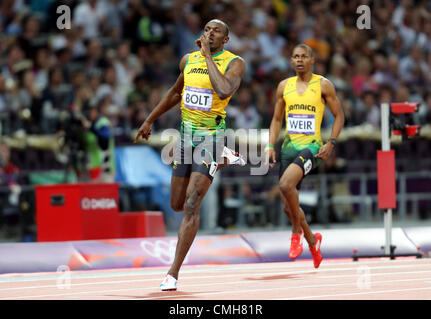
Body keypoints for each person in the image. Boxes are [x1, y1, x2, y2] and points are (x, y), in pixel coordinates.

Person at [134, 19, 246, 291]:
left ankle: (172, 272)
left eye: (216, 31)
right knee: (177, 204)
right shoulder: (188, 60)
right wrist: (150, 119)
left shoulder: (234, 62)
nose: (209, 33)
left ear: (226, 39)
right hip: (186, 136)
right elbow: (175, 92)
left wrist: (208, 56)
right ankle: (225, 157)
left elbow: (223, 90)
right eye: (206, 29)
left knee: (193, 203)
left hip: (212, 136)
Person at [265, 44, 344, 268]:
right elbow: (277, 119)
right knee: (287, 207)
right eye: (295, 57)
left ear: (312, 60)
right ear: (291, 61)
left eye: (304, 57)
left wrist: (331, 143)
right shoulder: (284, 86)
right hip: (289, 148)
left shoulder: (323, 85)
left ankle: (295, 235)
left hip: (312, 147)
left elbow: (339, 116)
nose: (299, 60)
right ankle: (312, 240)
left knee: (284, 185)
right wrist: (271, 144)